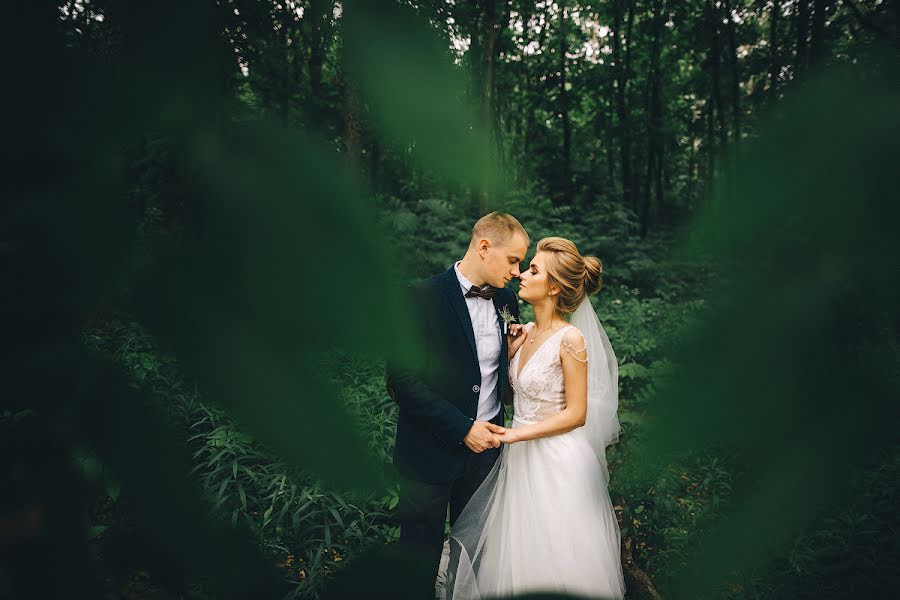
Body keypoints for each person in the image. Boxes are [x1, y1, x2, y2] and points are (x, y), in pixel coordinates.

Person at [445, 237, 626, 600]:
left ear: (554, 287)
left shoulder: (571, 339)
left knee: (554, 551)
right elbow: (515, 398)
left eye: (533, 270)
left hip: (557, 460)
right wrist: (510, 354)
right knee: (516, 549)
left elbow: (577, 414)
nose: (522, 275)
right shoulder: (524, 331)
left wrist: (515, 436)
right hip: (519, 458)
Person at [386, 212, 529, 597]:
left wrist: (512, 357)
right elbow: (402, 381)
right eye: (513, 259)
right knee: (419, 558)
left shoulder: (507, 300)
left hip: (485, 457)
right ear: (485, 247)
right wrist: (463, 428)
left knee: (475, 558)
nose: (518, 271)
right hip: (428, 453)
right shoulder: (420, 298)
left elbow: (494, 374)